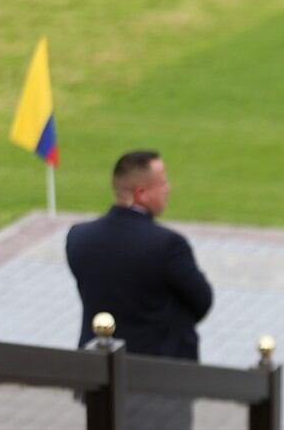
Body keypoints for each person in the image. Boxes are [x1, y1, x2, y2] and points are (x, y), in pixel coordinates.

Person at [67, 150, 213, 428]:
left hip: (99, 377)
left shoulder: (79, 237)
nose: (168, 189)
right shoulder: (168, 245)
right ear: (141, 192)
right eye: (163, 182)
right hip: (159, 383)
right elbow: (202, 300)